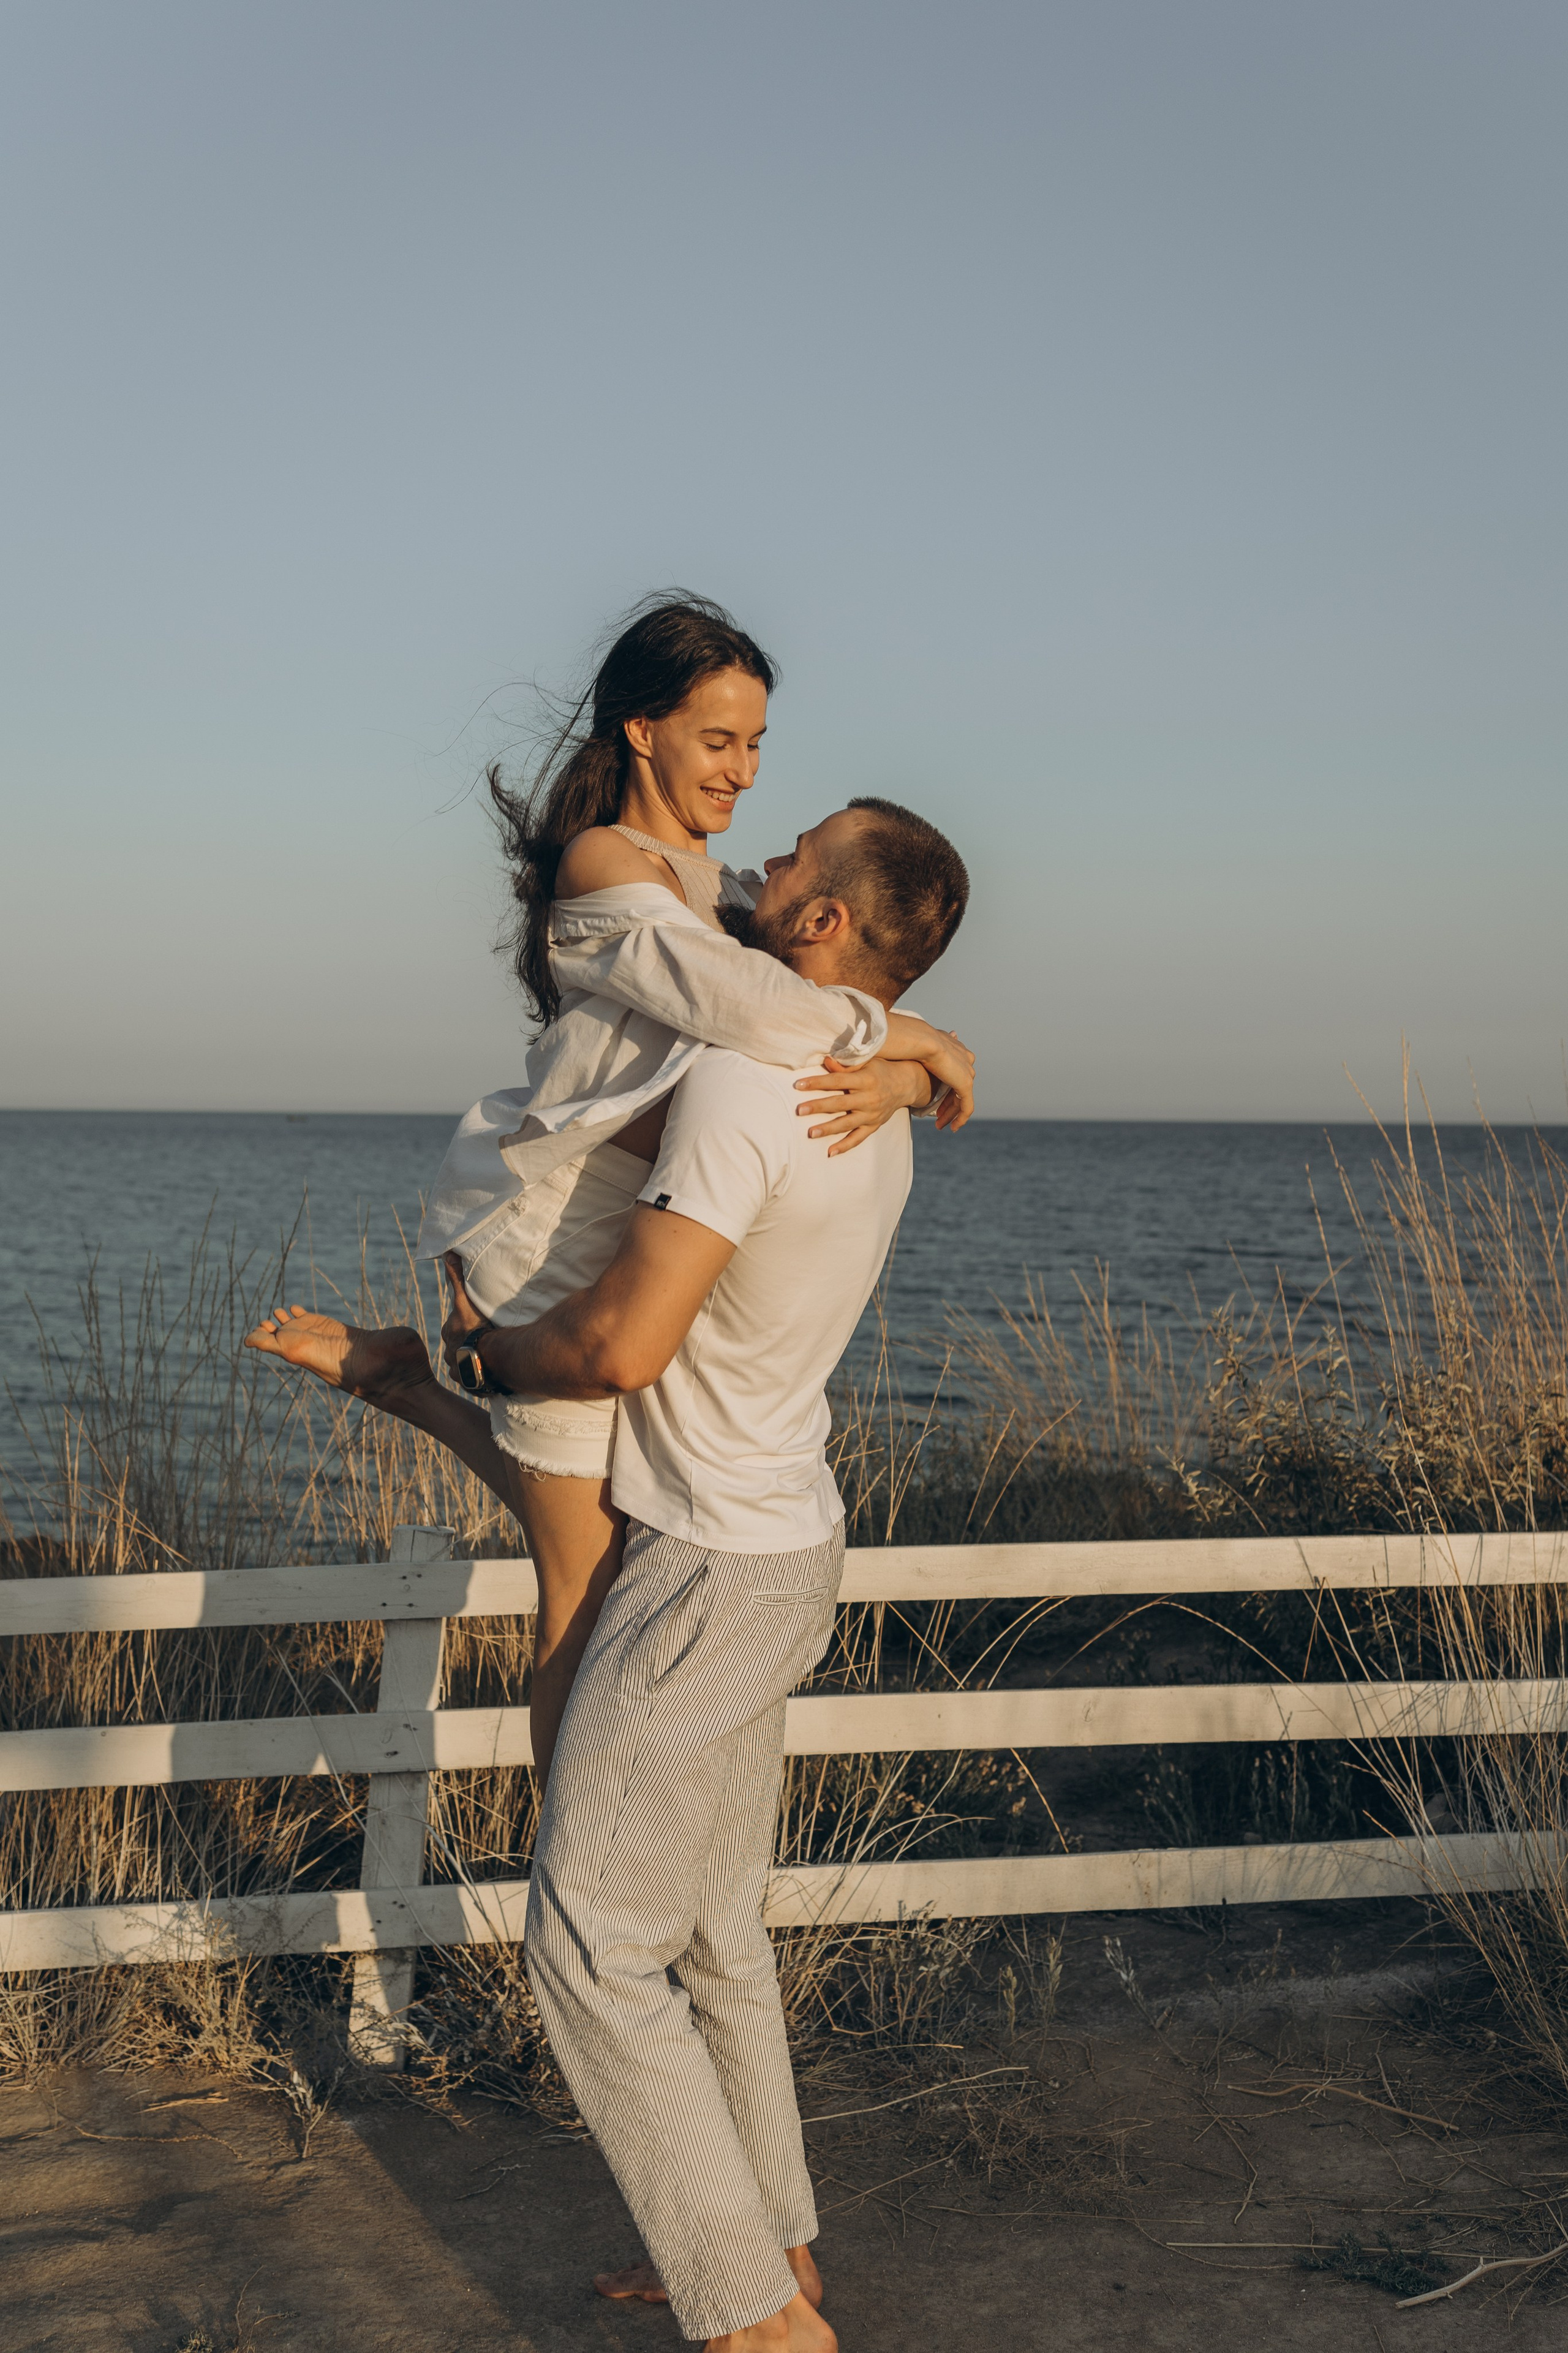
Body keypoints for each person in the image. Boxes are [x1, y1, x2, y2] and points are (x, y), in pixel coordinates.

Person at [249, 595, 973, 1785]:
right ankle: (568, 1866)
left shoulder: (724, 884)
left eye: (755, 746)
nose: (741, 773)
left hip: (613, 1232)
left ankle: (403, 1385)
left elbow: (808, 983)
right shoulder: (607, 866)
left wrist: (895, 1075)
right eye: (715, 740)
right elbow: (745, 1010)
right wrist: (908, 1035)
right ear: (641, 731)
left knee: (611, 1538)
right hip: (542, 1242)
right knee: (582, 1589)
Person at [429, 796, 969, 2352]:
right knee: (716, 1926)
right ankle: (776, 2253)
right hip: (787, 1542)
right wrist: (929, 1044)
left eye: (792, 857)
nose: (761, 863)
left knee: (590, 1945)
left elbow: (620, 1343)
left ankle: (753, 2324)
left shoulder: (747, 1082)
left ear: (815, 928)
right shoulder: (858, 1088)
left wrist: (484, 1349)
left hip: (710, 1575)